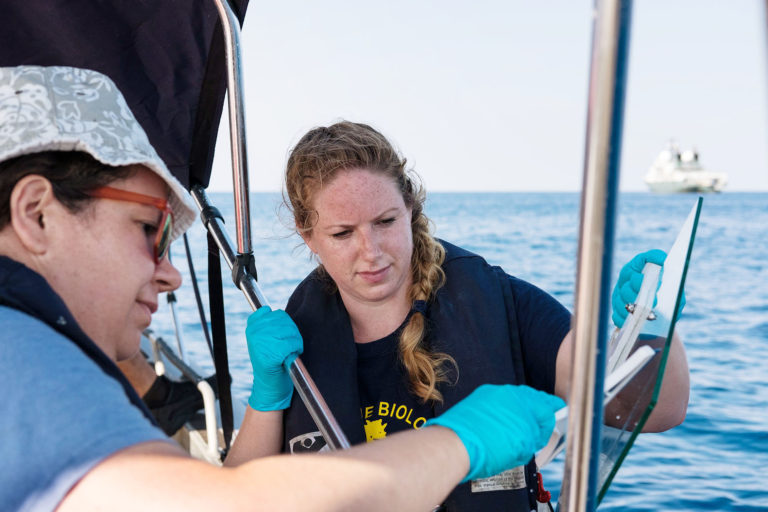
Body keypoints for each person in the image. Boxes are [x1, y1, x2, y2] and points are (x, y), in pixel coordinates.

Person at [0, 65, 565, 511]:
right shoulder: (25, 363)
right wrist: (459, 441)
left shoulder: (39, 359)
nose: (170, 273)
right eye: (150, 228)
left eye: (386, 222)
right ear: (36, 214)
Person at [226, 121, 690, 510]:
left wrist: (652, 322)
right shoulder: (298, 341)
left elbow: (657, 411)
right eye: (343, 233)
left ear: (410, 208)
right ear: (309, 237)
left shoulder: (497, 303)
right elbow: (234, 497)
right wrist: (267, 396)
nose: (371, 252)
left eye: (385, 222)